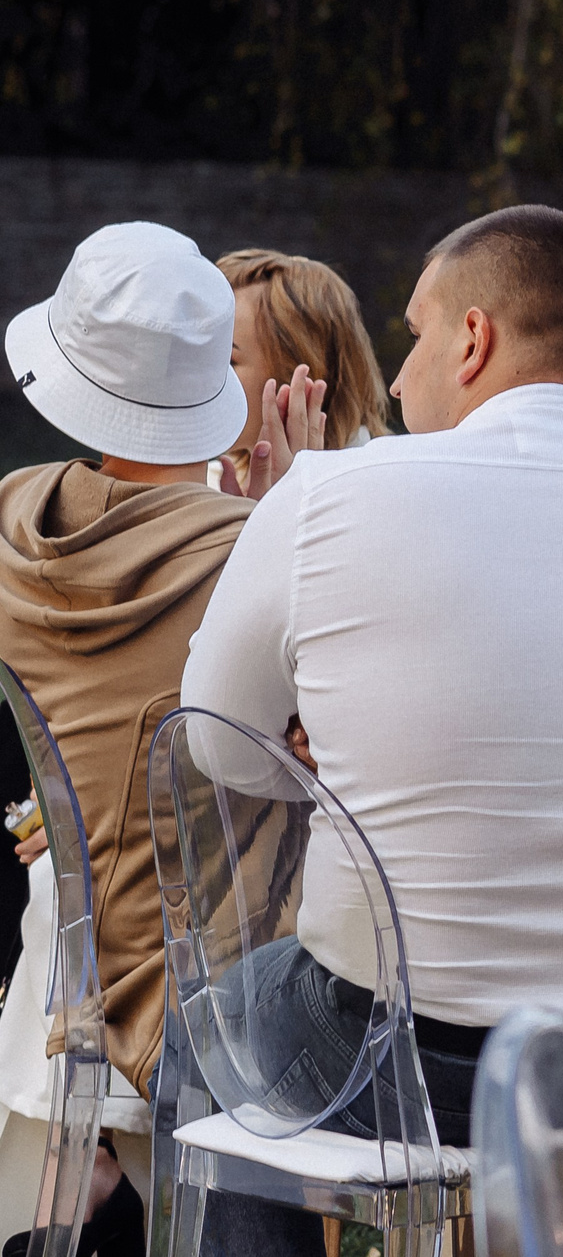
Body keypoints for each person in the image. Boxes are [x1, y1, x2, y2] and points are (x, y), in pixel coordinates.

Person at [180, 205, 563, 1202]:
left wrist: (337, 741)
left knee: (212, 1028)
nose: (398, 377)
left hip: (414, 1055)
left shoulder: (326, 493)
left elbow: (223, 745)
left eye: (415, 334)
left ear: (472, 339)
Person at [0, 222, 324, 1251]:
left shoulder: (11, 519)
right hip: (215, 974)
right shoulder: (257, 547)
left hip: (66, 942)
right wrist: (297, 515)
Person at [210, 248, 392, 494]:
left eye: (228, 360)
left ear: (300, 378)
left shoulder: (373, 489)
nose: (200, 375)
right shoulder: (207, 482)